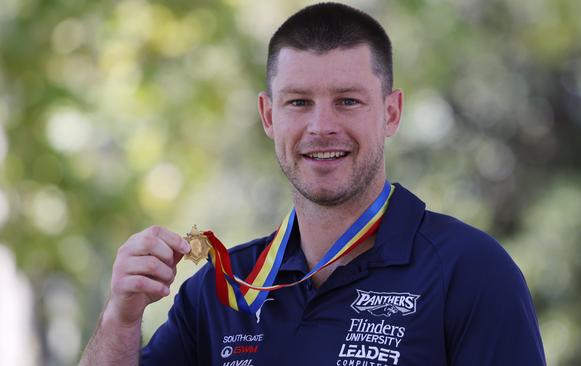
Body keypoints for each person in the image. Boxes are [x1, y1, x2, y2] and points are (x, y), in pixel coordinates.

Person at [80, 3, 546, 365]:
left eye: (347, 101)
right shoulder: (222, 290)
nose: (322, 126)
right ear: (268, 115)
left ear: (391, 112)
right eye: (299, 102)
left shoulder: (472, 272)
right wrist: (121, 319)